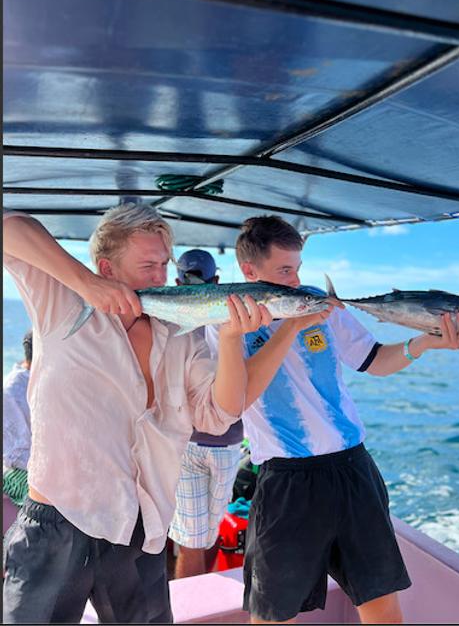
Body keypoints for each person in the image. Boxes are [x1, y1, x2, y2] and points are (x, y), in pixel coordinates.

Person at [1, 205, 282, 624]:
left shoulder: (181, 333)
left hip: (142, 527)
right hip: (59, 522)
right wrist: (86, 283)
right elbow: (10, 226)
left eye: (164, 265)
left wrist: (228, 338)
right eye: (148, 265)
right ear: (106, 267)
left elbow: (216, 414)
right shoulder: (60, 302)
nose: (160, 277)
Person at [205, 215, 459, 625]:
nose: (295, 280)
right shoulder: (226, 322)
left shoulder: (317, 302)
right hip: (287, 480)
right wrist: (289, 327)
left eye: (297, 268)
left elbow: (373, 360)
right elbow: (239, 399)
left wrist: (424, 342)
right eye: (284, 270)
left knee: (382, 607)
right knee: (273, 616)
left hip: (353, 469)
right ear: (250, 271)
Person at [169, 249, 245, 578]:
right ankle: (193, 610)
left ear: (176, 282)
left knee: (203, 535)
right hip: (225, 442)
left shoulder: (163, 320)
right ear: (218, 282)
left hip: (193, 442)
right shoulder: (237, 318)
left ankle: (197, 604)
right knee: (195, 539)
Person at [3, 330, 33, 507]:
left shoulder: (40, 379)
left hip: (38, 464)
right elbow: (13, 452)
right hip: (16, 469)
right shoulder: (12, 389)